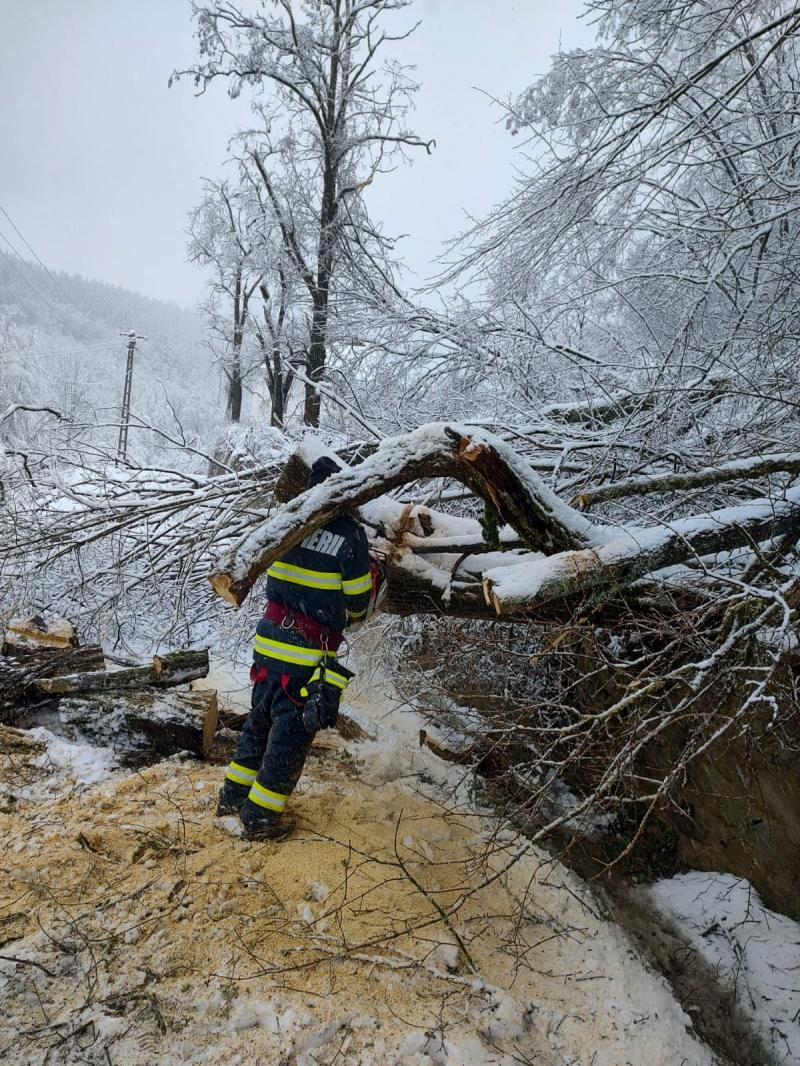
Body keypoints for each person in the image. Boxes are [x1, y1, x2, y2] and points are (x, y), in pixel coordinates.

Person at [217, 455, 378, 841]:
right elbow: (358, 605)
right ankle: (260, 819)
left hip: (268, 644)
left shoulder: (285, 522)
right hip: (306, 655)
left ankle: (232, 799)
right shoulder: (349, 534)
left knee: (259, 723)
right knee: (289, 737)